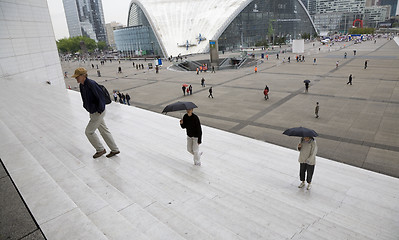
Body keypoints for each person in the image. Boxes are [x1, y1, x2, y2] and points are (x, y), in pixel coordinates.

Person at [72, 67, 120, 158]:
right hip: (93, 111)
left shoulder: (91, 84)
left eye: (77, 76)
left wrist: (100, 110)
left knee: (89, 132)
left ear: (83, 76)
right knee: (104, 131)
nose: (76, 78)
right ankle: (115, 149)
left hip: (98, 112)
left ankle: (100, 149)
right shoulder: (82, 85)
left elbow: (100, 97)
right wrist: (87, 107)